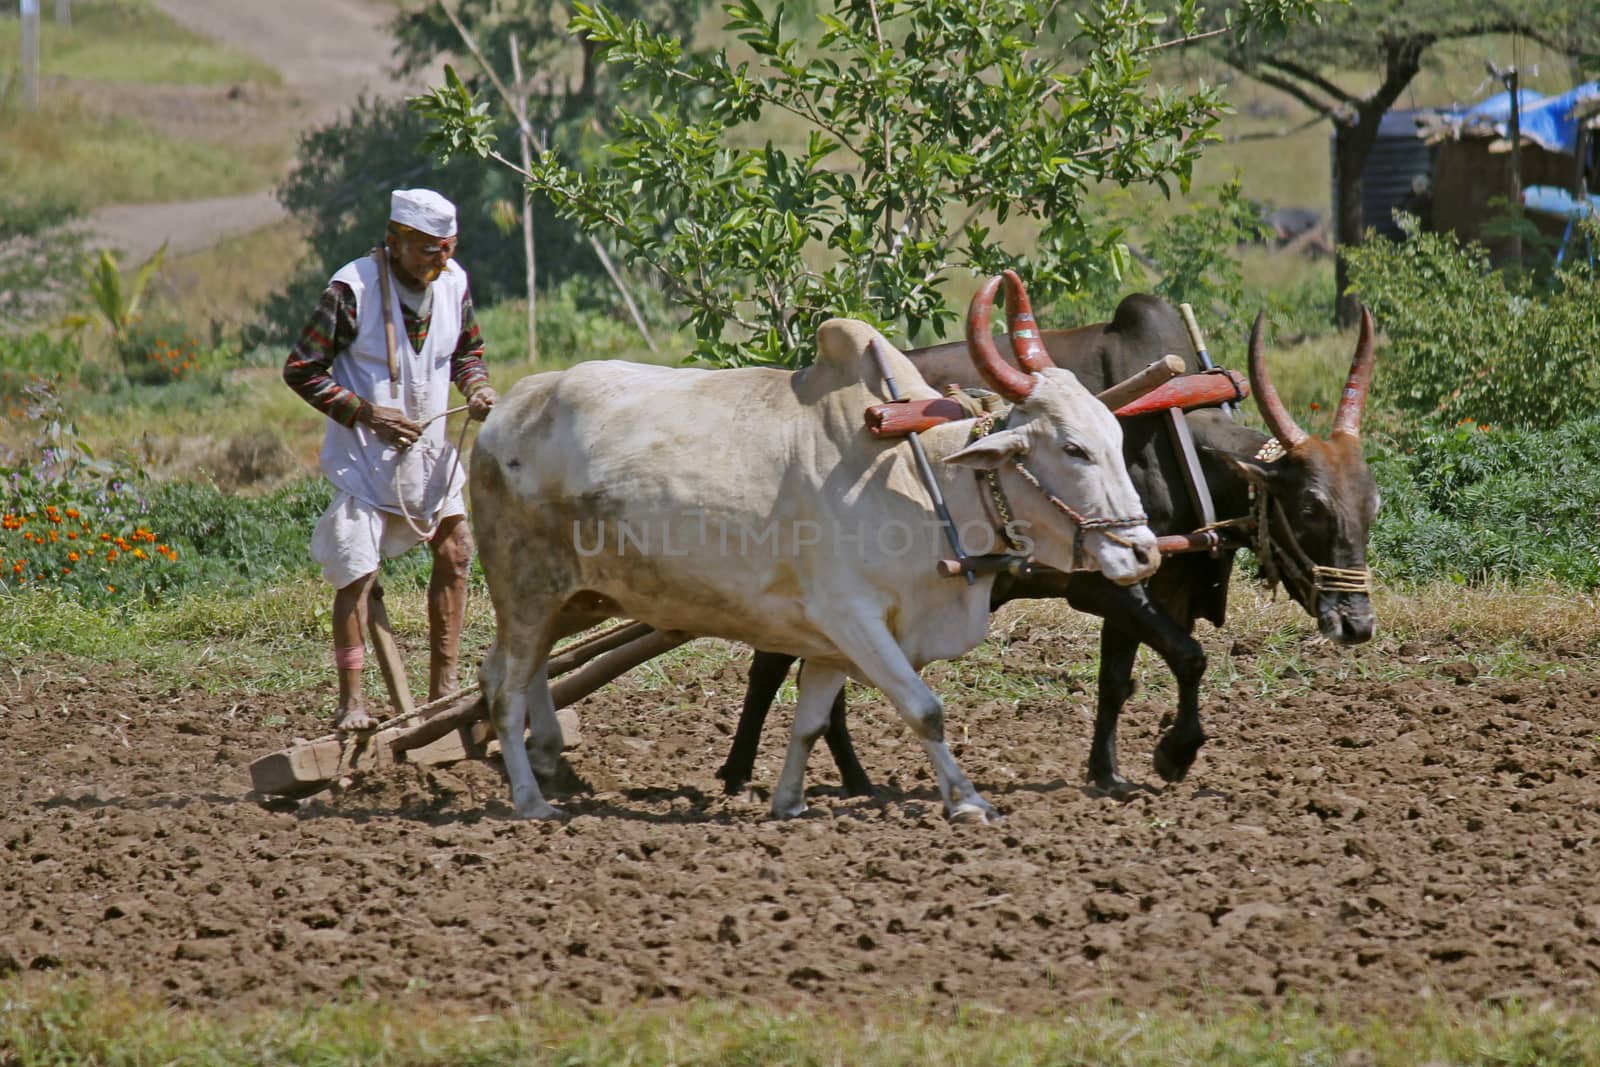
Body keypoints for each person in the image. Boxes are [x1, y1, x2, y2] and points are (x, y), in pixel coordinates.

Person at [284, 188, 498, 731]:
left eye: (447, 248)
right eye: (428, 249)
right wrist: (364, 412)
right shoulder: (351, 288)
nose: (440, 260)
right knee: (357, 570)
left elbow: (467, 353)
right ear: (396, 239)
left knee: (456, 551)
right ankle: (352, 703)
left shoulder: (455, 284)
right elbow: (302, 369)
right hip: (364, 457)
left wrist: (476, 388)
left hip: (429, 456)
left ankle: (443, 693)